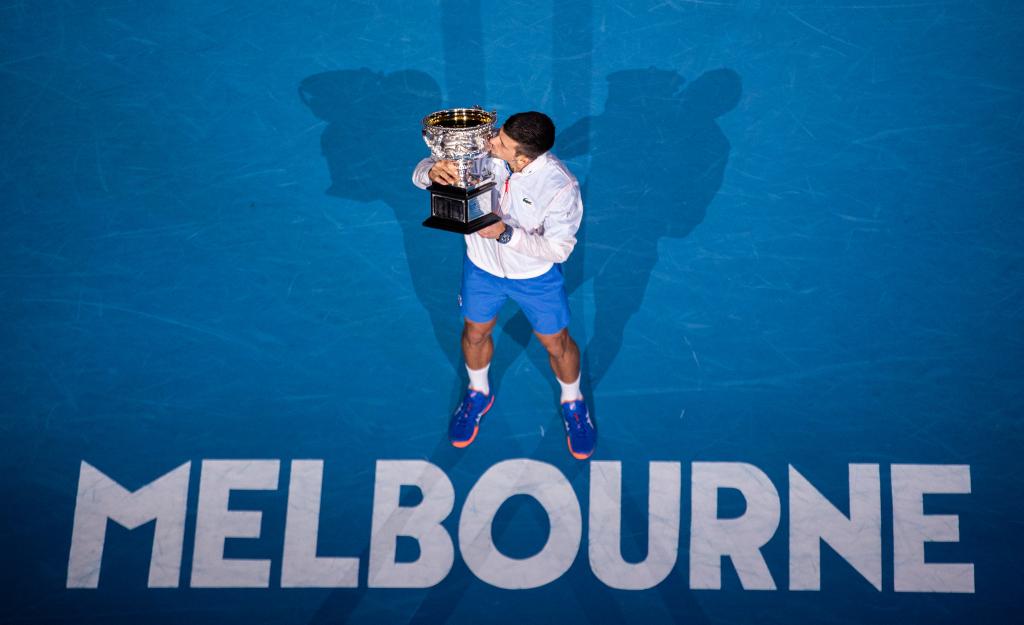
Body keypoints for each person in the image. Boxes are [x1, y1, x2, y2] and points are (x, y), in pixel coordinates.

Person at [412, 111, 595, 460]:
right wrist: (431, 172)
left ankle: (573, 401)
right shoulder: (482, 148)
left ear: (522, 158)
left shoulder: (560, 188)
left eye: (501, 142)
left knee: (557, 344)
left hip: (535, 278)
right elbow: (421, 172)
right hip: (482, 270)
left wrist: (506, 234)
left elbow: (560, 249)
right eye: (499, 133)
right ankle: (478, 392)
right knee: (475, 333)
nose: (491, 140)